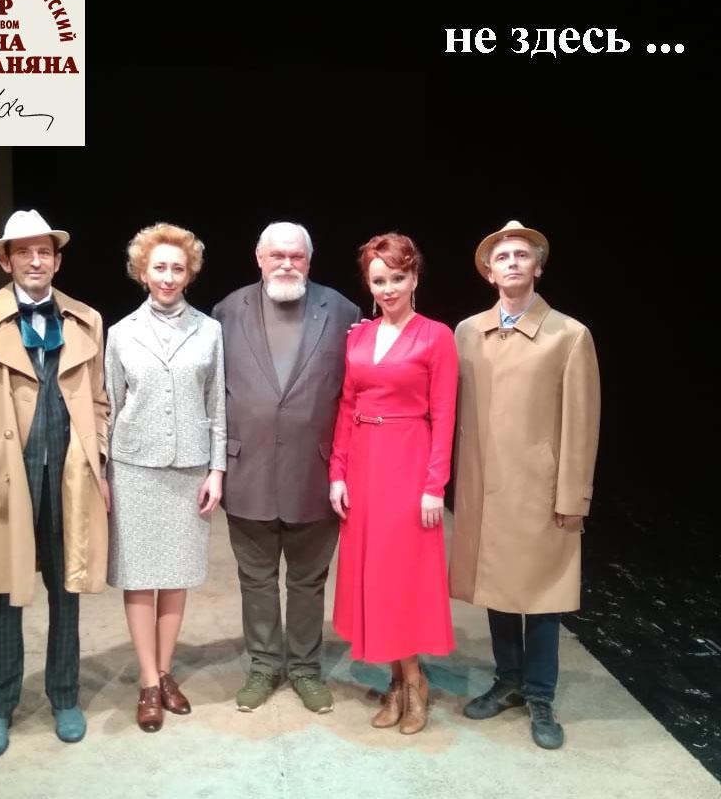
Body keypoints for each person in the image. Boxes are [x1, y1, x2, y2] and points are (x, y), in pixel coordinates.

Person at [0, 209, 110, 758]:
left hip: (68, 475)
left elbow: (99, 400)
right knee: (2, 592)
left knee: (67, 589)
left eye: (45, 252)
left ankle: (65, 697)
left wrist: (97, 450)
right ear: (5, 261)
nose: (36, 261)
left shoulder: (85, 319)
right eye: (24, 252)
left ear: (57, 261)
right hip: (4, 476)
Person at [450, 220, 601, 750]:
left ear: (537, 267)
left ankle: (540, 694)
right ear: (489, 274)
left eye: (521, 255)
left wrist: (573, 496)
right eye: (502, 257)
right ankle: (508, 680)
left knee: (539, 597)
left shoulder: (568, 335)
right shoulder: (467, 332)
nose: (511, 262)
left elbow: (581, 424)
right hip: (484, 488)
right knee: (497, 590)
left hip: (538, 491)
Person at [213, 222, 360, 714]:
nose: (286, 264)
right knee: (255, 580)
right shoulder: (226, 312)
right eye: (276, 255)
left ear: (309, 261)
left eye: (296, 256)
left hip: (315, 473)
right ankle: (262, 666)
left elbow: (352, 395)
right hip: (247, 469)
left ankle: (304, 668)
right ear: (259, 258)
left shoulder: (343, 312)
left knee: (307, 581)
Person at [328, 232, 458, 735]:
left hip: (408, 463)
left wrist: (434, 485)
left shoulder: (435, 336)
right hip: (364, 464)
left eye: (397, 278)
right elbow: (346, 405)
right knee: (373, 577)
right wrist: (337, 472)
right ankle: (397, 681)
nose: (388, 289)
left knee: (402, 578)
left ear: (414, 278)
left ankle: (414, 682)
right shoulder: (359, 337)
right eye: (379, 280)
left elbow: (444, 415)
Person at [104, 223, 226, 732]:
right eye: (160, 267)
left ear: (189, 273)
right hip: (133, 468)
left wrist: (217, 469)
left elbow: (217, 405)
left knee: (176, 576)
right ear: (143, 272)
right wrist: (104, 474)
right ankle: (148, 682)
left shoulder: (210, 330)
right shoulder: (120, 333)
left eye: (178, 268)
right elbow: (109, 407)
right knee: (139, 577)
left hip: (188, 468)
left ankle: (166, 669)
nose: (168, 277)